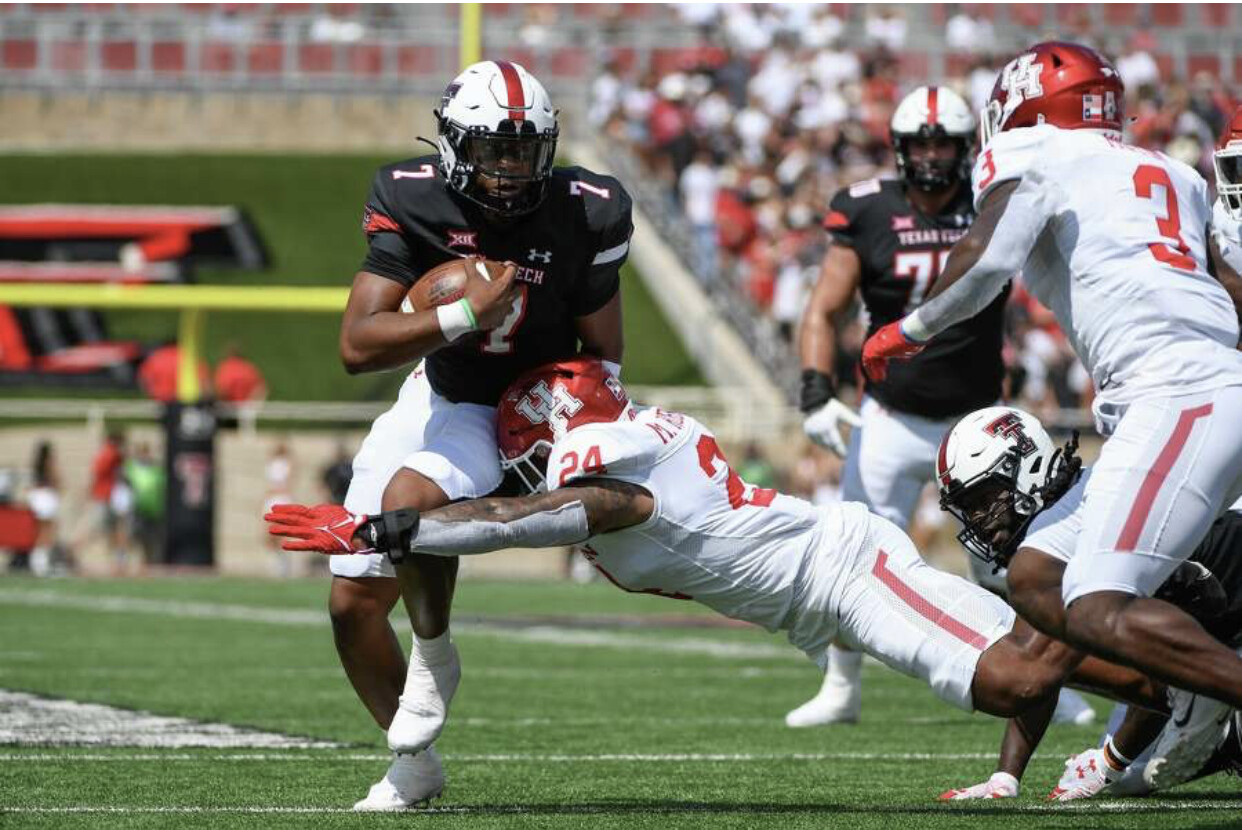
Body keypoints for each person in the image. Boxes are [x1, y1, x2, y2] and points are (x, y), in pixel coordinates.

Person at [268, 359, 1168, 800]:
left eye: (526, 452)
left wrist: (394, 526)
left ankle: (1180, 645)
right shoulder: (627, 431)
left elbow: (573, 511)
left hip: (844, 572)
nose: (522, 469)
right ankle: (1176, 694)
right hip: (822, 590)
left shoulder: (598, 456)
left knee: (1009, 675)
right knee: (1033, 657)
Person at [862, 42, 1242, 712]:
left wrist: (909, 330)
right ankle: (1189, 714)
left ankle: (1203, 708)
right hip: (1181, 392)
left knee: (1097, 606)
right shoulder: (1173, 173)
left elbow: (987, 260)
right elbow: (1230, 289)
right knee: (1037, 574)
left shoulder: (1035, 152)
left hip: (1177, 389)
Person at [329, 61, 631, 809]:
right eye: (494, 151)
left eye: (524, 153)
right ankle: (417, 762)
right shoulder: (412, 195)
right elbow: (358, 344)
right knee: (350, 605)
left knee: (408, 505)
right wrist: (466, 314)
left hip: (536, 403)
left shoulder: (588, 209)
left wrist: (565, 426)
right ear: (455, 145)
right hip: (447, 390)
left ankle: (433, 657)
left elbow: (606, 357)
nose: (509, 171)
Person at [791, 84, 1038, 727]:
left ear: (964, 147)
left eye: (943, 142)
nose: (931, 154)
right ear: (900, 148)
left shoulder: (994, 202)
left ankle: (1048, 684)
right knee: (854, 553)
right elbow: (824, 307)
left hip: (979, 419)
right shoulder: (868, 209)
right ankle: (842, 688)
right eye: (920, 142)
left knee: (1008, 564)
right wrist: (816, 389)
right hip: (890, 416)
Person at [933, 406, 1242, 801]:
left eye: (982, 498)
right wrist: (1004, 780)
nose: (977, 518)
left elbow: (1162, 659)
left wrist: (1109, 761)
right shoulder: (1049, 540)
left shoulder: (1089, 519)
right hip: (1208, 640)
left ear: (1023, 469)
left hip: (1223, 620)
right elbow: (1039, 658)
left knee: (1137, 765)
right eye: (968, 507)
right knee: (1136, 774)